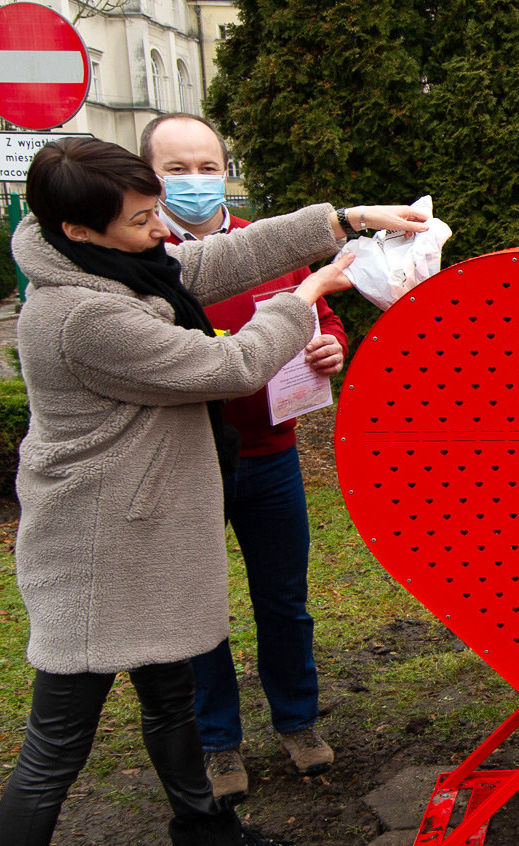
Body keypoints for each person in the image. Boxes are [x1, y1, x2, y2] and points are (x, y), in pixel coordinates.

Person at [0, 136, 427, 846]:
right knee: (53, 750)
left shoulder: (117, 266)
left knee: (172, 694)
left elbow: (220, 253)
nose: (160, 232)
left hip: (145, 533)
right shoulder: (81, 314)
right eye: (142, 219)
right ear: (79, 229)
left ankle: (206, 837)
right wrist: (308, 296)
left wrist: (348, 220)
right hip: (98, 553)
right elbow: (229, 364)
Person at [142, 113, 345, 800]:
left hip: (271, 453)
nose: (195, 182)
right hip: (186, 462)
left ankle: (297, 722)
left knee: (285, 601)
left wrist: (329, 346)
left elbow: (320, 316)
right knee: (199, 609)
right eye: (176, 169)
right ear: (149, 177)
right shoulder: (141, 261)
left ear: (228, 169)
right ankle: (218, 742)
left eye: (207, 166)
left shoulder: (271, 247)